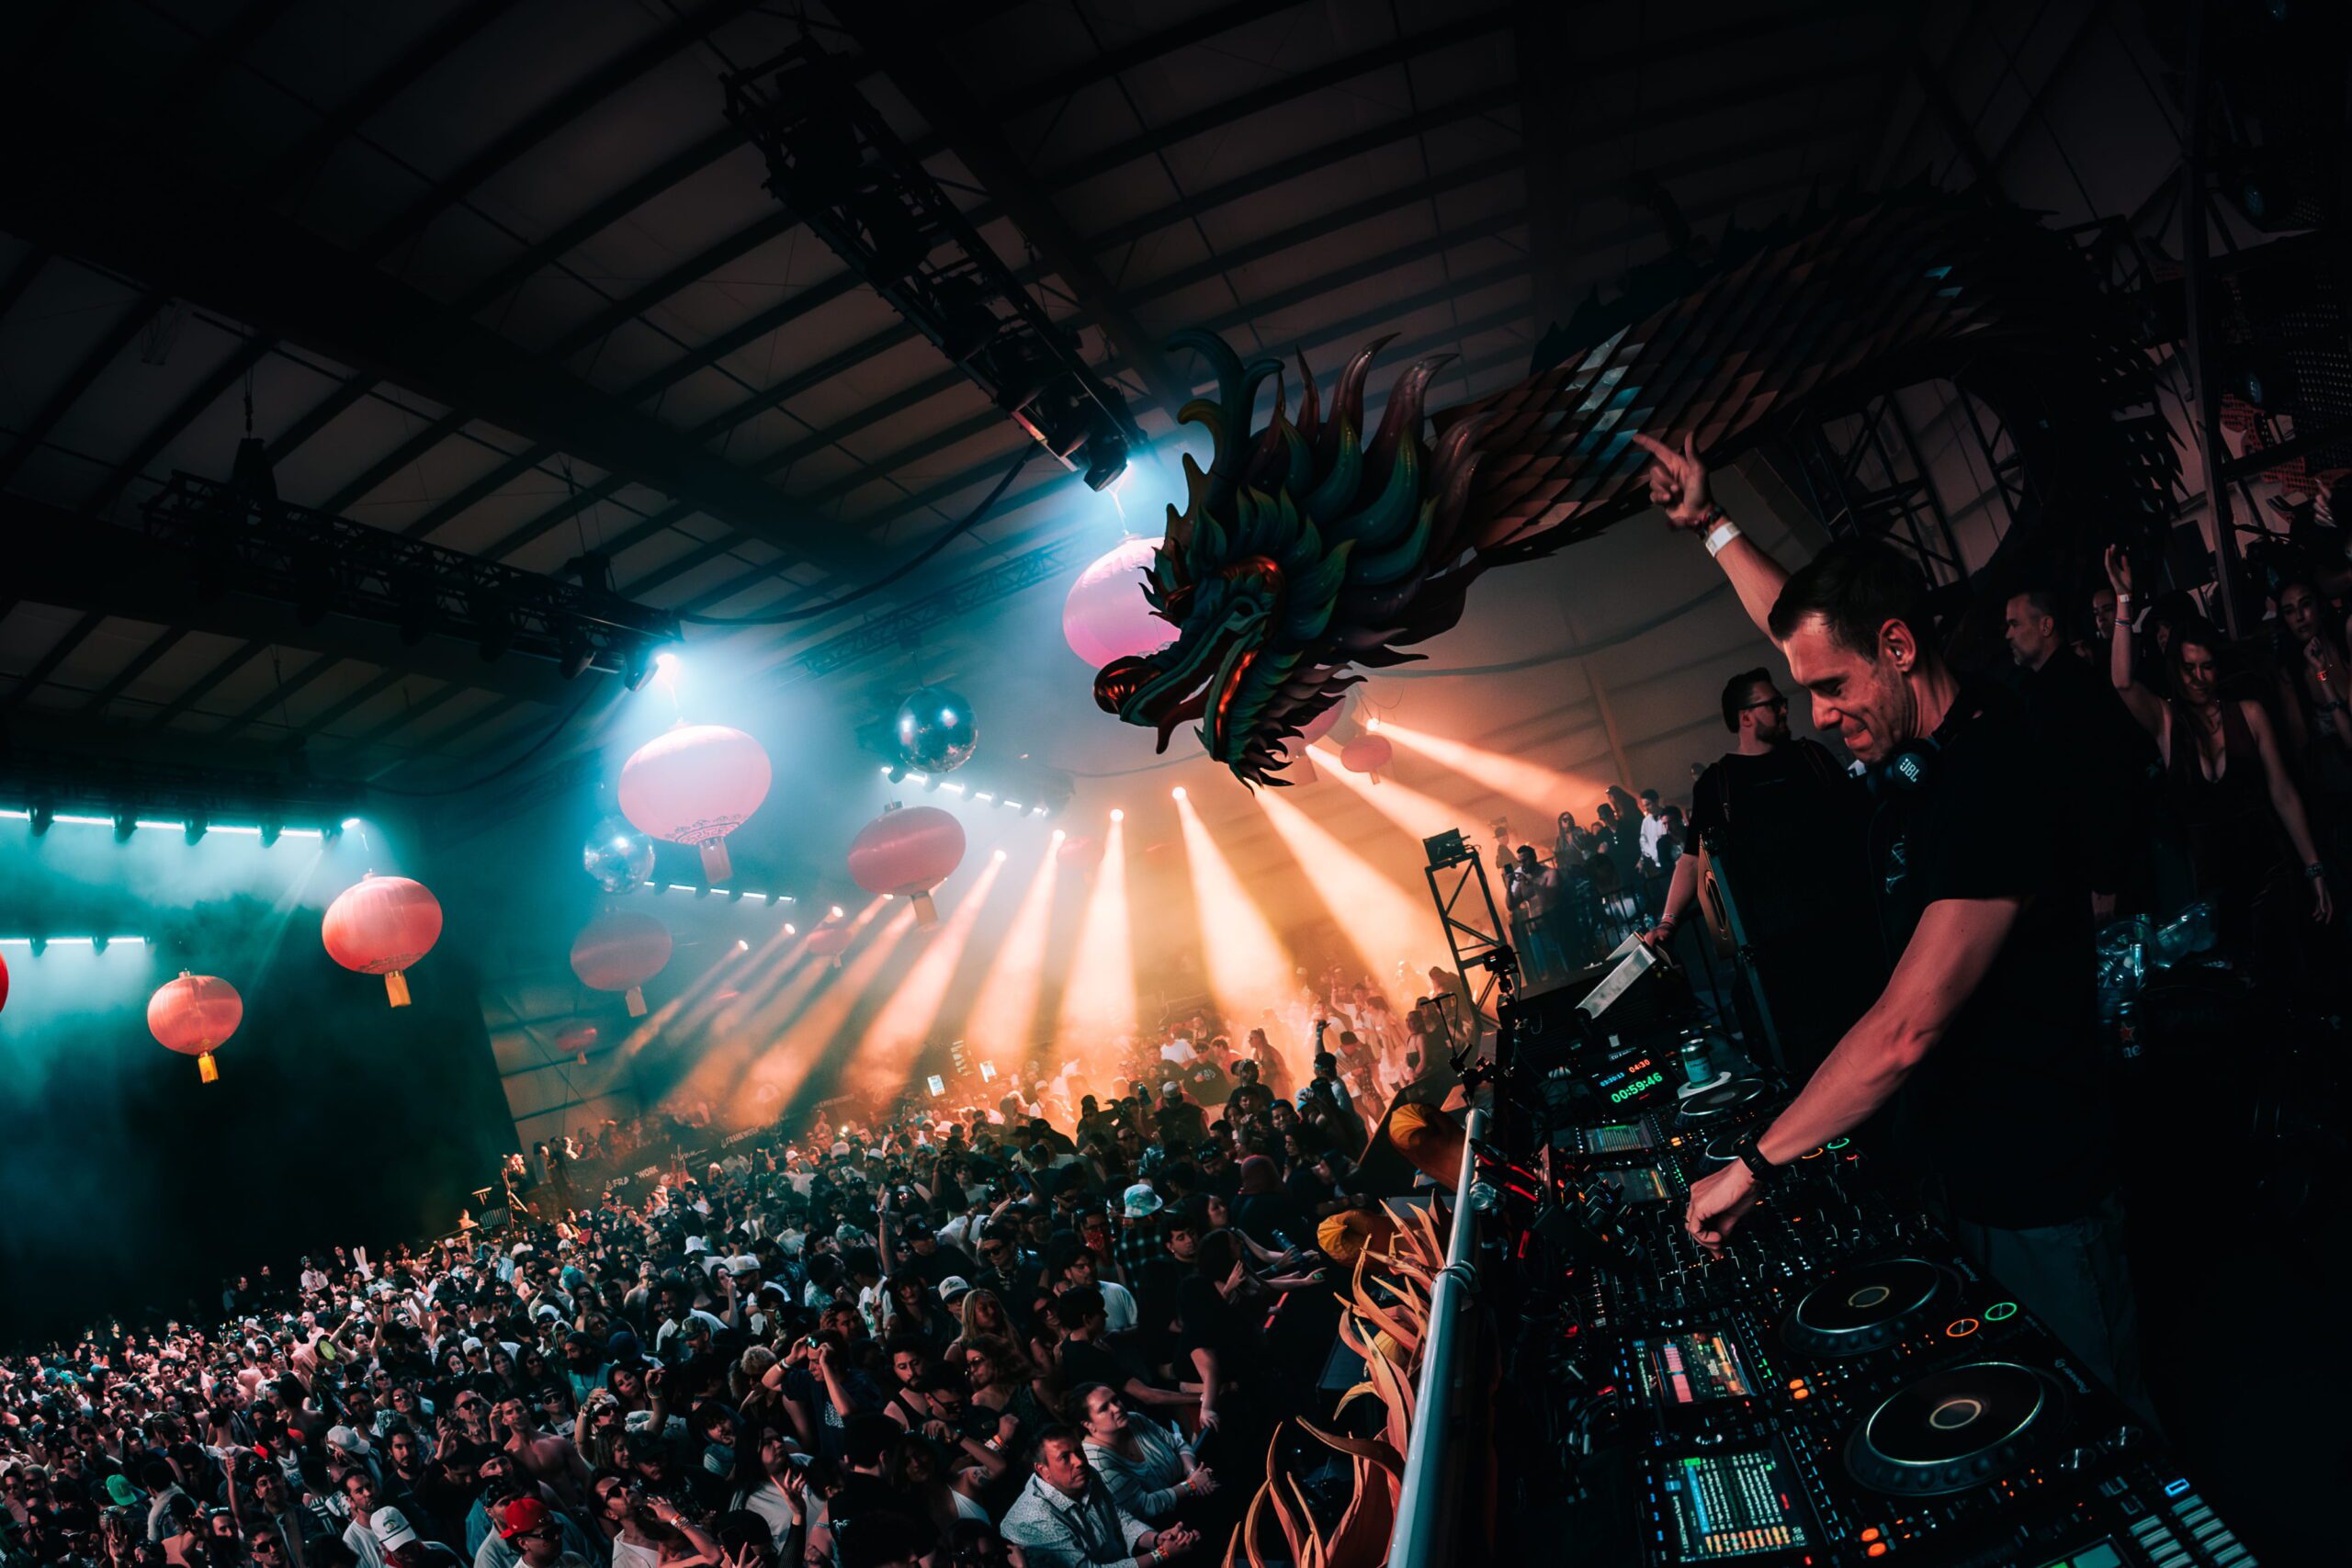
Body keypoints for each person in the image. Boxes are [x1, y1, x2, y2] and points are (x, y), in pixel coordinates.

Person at [1634, 429, 2148, 1417]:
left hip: (2040, 1190)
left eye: (1831, 691)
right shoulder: (1919, 736)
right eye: (1807, 693)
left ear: (1901, 650)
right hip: (1968, 1175)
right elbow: (1812, 630)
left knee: (2095, 1431)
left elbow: (1908, 1027)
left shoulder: (1990, 779)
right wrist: (1712, 526)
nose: (1819, 715)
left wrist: (1753, 1164)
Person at [1643, 666, 1874, 1079]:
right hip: (1779, 959)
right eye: (1773, 704)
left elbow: (1860, 823)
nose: (1784, 709)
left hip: (1848, 938)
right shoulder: (1718, 783)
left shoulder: (1811, 757)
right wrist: (1668, 922)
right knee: (1811, 1064)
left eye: (1782, 702)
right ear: (1746, 716)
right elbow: (1692, 860)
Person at [2105, 548, 2332, 952]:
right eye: (2188, 668)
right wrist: (2123, 599)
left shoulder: (2248, 713)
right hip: (2211, 894)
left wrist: (2313, 867)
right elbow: (2122, 682)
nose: (2198, 678)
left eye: (2206, 666)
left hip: (2271, 872)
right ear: (2175, 670)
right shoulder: (2167, 722)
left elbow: (2282, 791)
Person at [995, 1428, 1199, 1568]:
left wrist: (1156, 1540)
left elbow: (1118, 1518)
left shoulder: (1086, 1474)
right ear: (1043, 1470)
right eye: (1064, 1457)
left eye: (1078, 1451)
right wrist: (1162, 1554)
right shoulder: (1036, 1518)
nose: (1078, 1462)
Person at [1071, 1388, 1211, 1528]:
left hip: (1193, 1495)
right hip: (1166, 1527)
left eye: (1115, 1400)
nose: (1116, 1408)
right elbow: (1144, 1506)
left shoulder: (1134, 1420)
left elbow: (1178, 1445)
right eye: (1104, 1408)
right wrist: (1191, 1485)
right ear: (1088, 1424)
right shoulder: (1097, 1461)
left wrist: (1192, 1472)